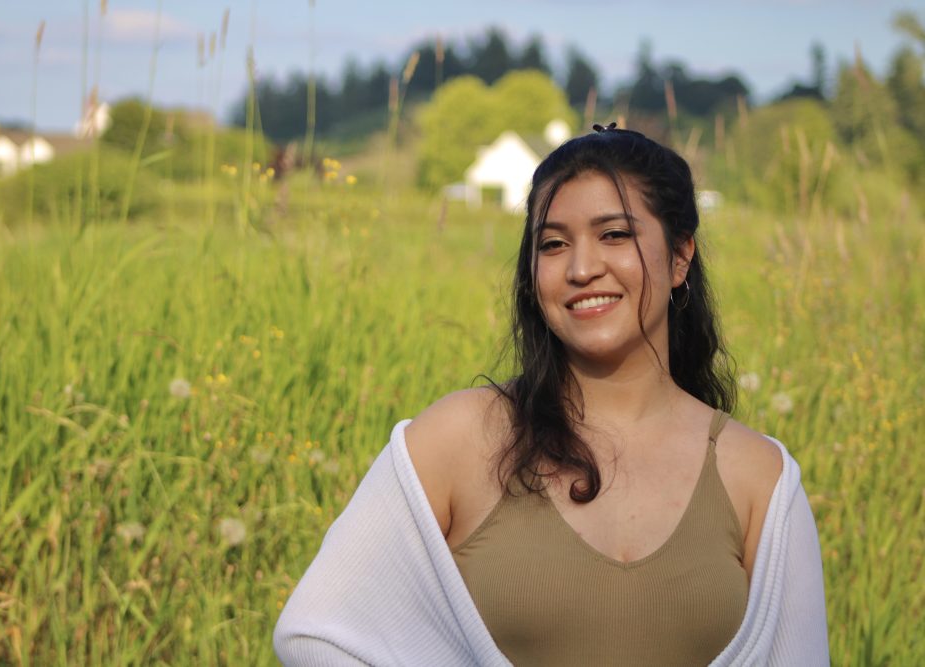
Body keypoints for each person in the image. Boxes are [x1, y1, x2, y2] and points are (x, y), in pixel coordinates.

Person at [274, 126, 829, 666]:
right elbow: (317, 634)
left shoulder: (760, 478)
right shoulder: (461, 440)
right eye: (554, 244)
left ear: (680, 256)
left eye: (614, 235)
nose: (582, 268)